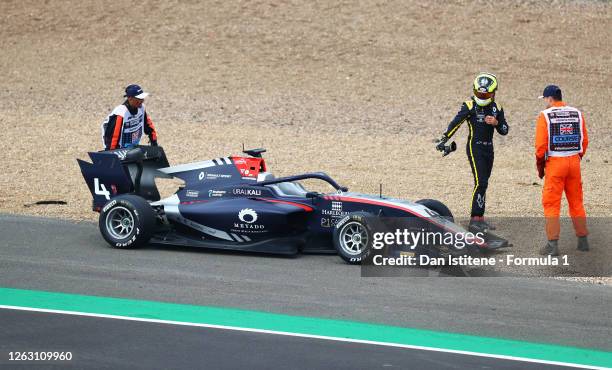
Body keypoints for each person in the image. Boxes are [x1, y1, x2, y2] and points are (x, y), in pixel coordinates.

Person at [436, 72, 509, 231]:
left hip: (488, 148)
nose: (482, 95)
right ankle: (474, 220)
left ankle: (479, 218)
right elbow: (456, 122)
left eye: (485, 93)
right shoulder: (469, 105)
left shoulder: (497, 108)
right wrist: (444, 138)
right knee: (480, 181)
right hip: (474, 147)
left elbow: (504, 130)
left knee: (484, 184)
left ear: (493, 92)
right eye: (479, 93)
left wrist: (496, 122)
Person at [535, 85, 589, 256]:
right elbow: (584, 141)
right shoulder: (577, 113)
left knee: (551, 204)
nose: (544, 102)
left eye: (544, 99)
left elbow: (540, 148)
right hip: (574, 162)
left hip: (555, 164)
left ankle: (552, 245)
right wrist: (576, 157)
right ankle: (583, 241)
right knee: (576, 202)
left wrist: (540, 167)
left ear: (550, 99)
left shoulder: (545, 116)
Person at [101, 84, 158, 150]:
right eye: (139, 99)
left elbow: (148, 126)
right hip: (118, 149)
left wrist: (154, 142)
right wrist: (112, 154)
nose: (141, 101)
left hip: (132, 148)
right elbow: (113, 137)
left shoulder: (141, 108)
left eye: (142, 98)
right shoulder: (120, 113)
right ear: (130, 98)